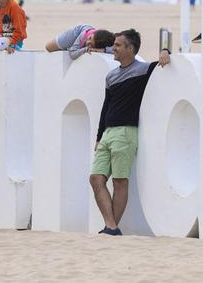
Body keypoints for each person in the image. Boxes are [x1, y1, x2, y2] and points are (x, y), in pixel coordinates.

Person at [90, 29, 171, 236]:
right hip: (107, 133)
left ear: (131, 49)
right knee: (96, 179)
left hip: (126, 132)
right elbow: (105, 107)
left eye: (117, 45)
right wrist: (99, 136)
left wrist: (165, 49)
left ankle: (110, 228)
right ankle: (112, 226)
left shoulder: (143, 70)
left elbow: (163, 63)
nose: (113, 48)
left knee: (119, 181)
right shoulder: (111, 76)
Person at [45, 25, 116, 60]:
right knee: (49, 47)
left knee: (73, 49)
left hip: (85, 42)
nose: (87, 41)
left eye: (90, 44)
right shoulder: (84, 35)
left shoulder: (109, 41)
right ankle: (71, 46)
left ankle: (73, 47)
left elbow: (116, 49)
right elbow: (72, 54)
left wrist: (103, 50)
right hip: (76, 33)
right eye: (90, 38)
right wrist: (86, 49)